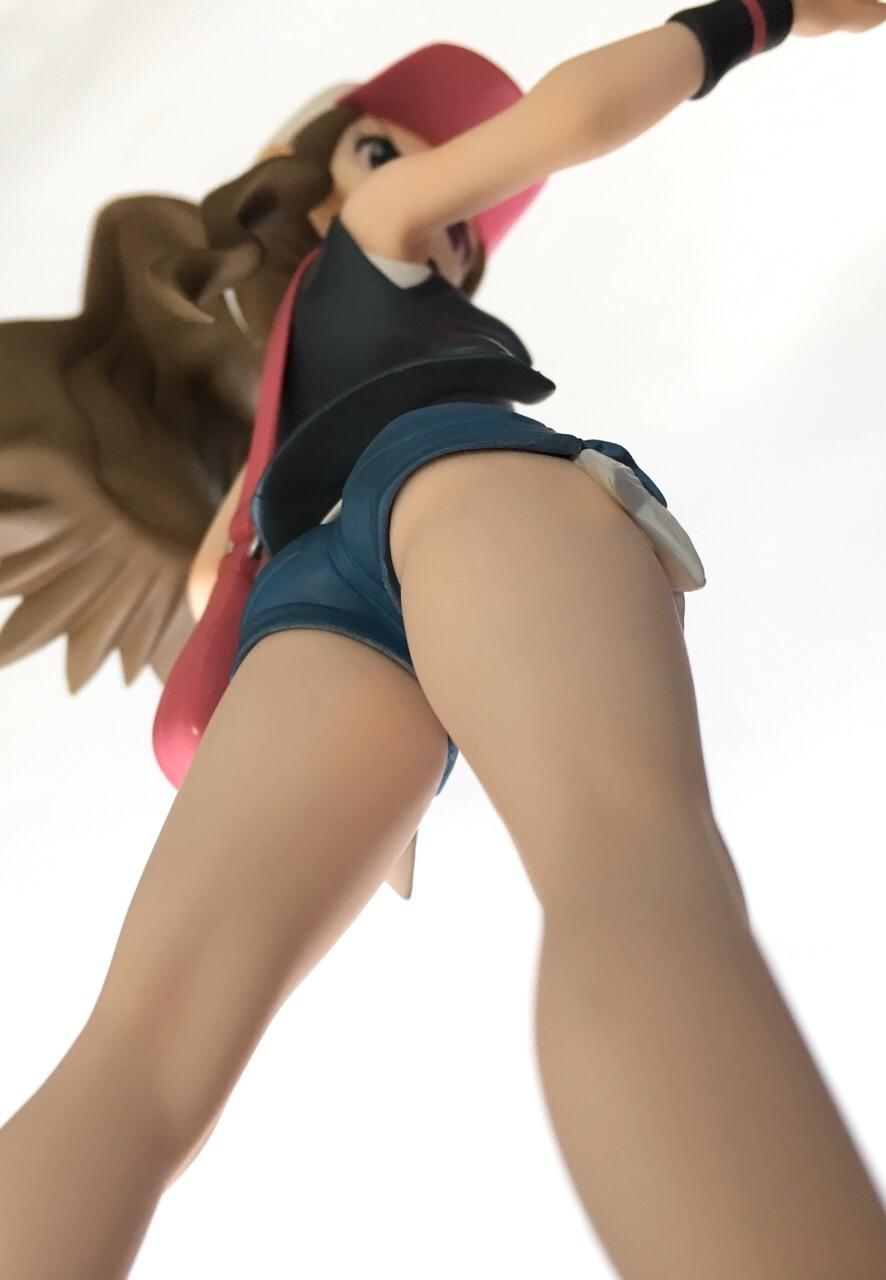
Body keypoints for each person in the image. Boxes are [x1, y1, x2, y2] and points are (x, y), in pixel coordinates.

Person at [1, 4, 886, 1277]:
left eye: (468, 235)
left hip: (308, 606)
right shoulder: (375, 228)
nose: (453, 219)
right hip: (452, 478)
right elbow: (571, 116)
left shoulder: (273, 425)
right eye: (389, 152)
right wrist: (762, 17)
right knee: (624, 856)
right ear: (329, 170)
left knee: (139, 1056)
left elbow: (212, 591)